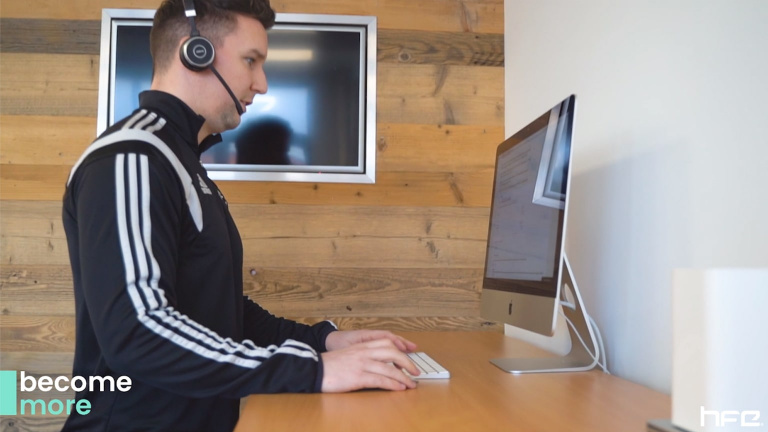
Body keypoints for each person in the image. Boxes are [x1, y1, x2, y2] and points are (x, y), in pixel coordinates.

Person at [61, 0, 419, 430]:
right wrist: (315, 371)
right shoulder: (130, 159)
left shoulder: (180, 162)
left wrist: (323, 341)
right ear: (196, 53)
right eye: (251, 61)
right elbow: (139, 331)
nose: (262, 84)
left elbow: (221, 310)